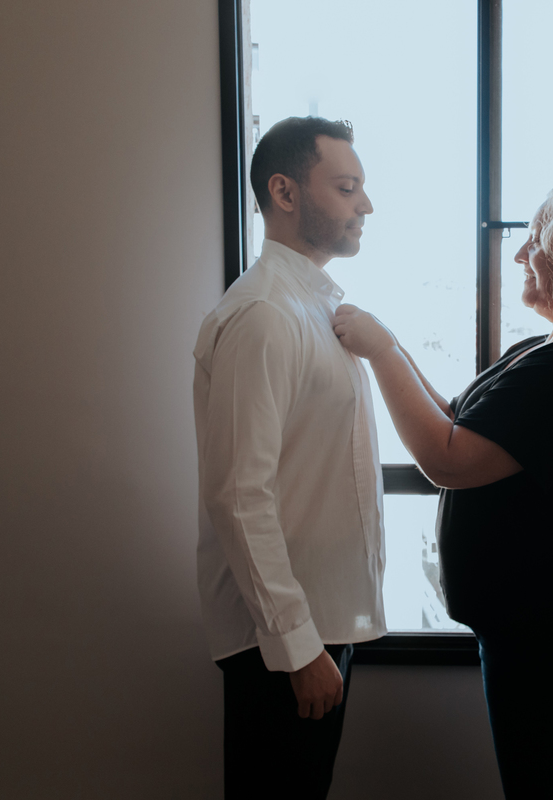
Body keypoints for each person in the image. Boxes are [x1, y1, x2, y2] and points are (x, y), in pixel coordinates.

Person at [334, 181, 553, 799]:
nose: (520, 256)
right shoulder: (547, 352)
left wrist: (381, 351)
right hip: (544, 618)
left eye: (534, 241)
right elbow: (452, 419)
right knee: (547, 784)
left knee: (546, 789)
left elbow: (449, 459)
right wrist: (387, 342)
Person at [192, 116, 383, 800]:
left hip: (313, 623)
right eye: (346, 186)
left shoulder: (312, 309)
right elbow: (239, 495)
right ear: (285, 191)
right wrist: (299, 645)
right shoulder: (267, 317)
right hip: (281, 641)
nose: (366, 205)